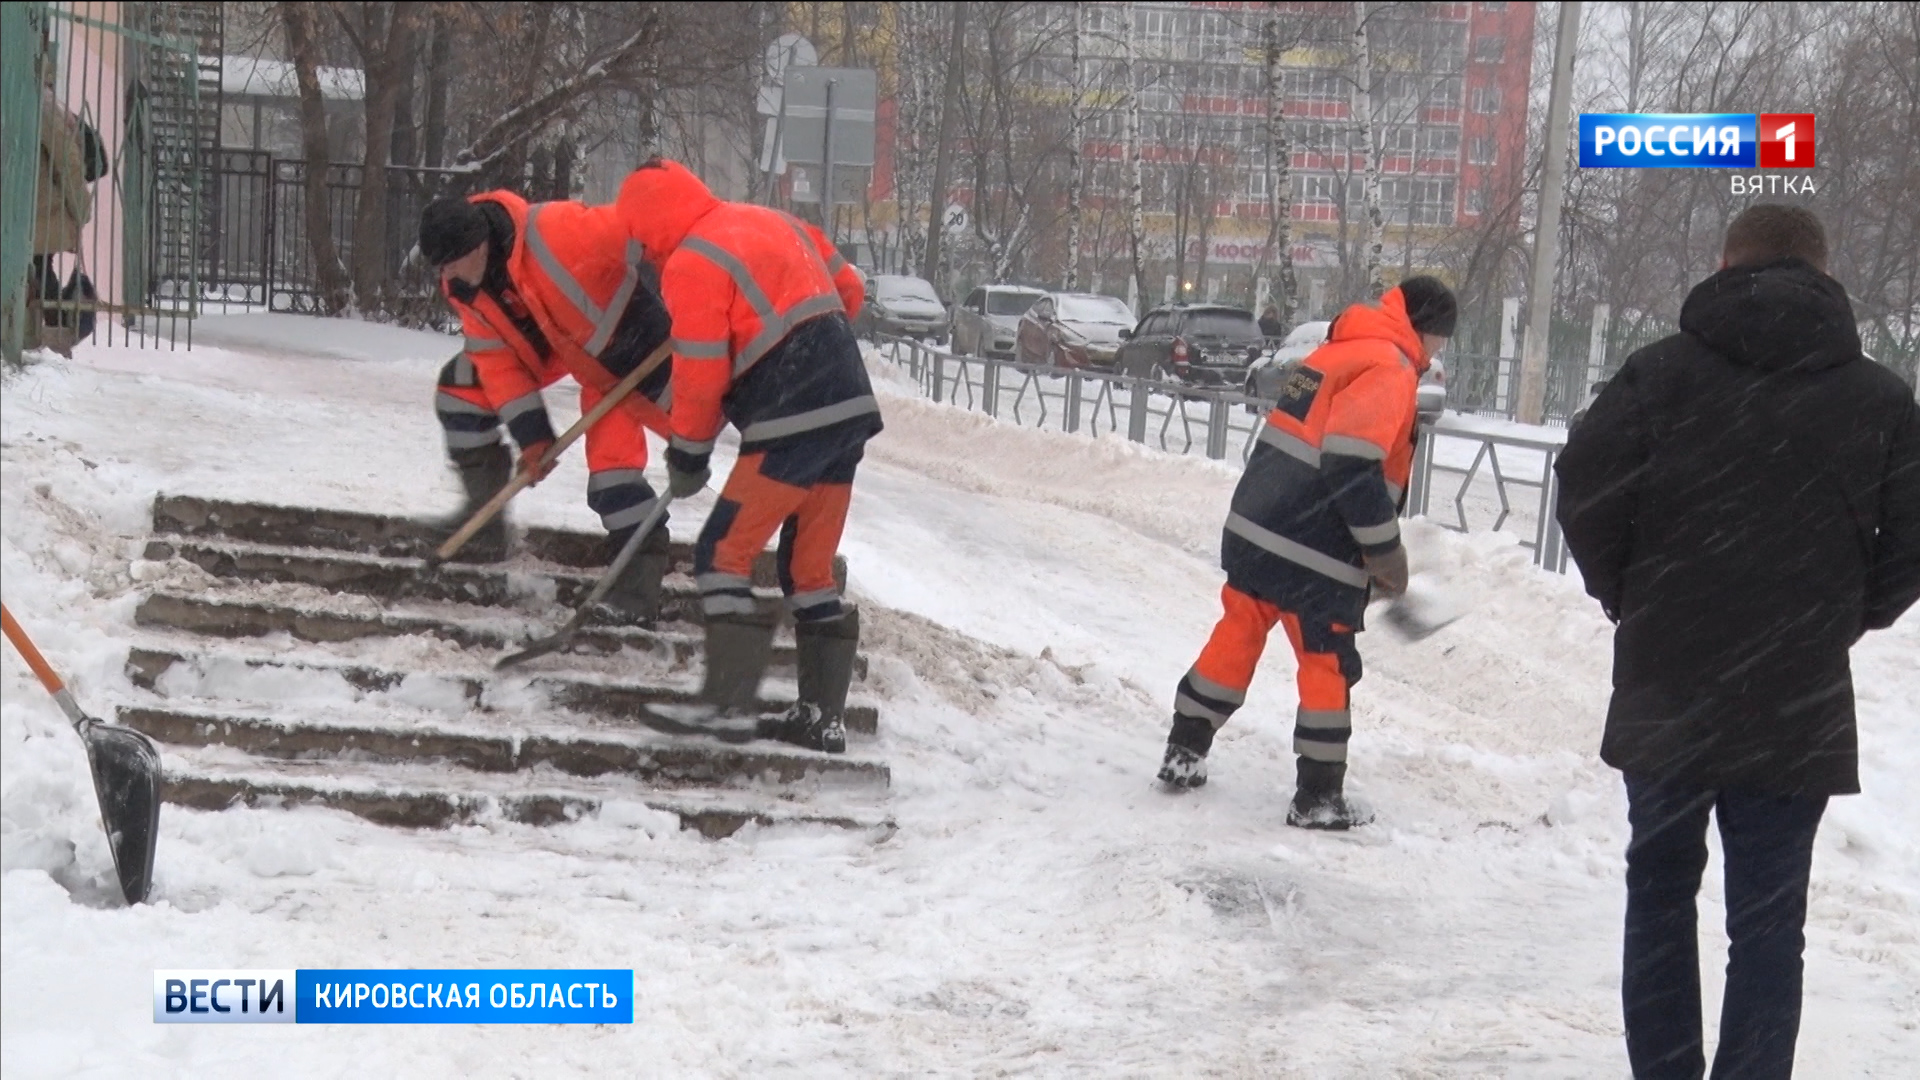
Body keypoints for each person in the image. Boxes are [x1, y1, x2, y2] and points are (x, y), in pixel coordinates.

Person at [1555, 204, 1920, 1079]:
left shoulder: (1658, 374)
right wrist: (1842, 617)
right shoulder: (1880, 399)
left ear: (1726, 264)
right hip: (1795, 696)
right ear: (1826, 272)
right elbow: (1910, 544)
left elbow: (1584, 489)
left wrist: (1631, 595)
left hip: (1668, 687)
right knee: (1768, 923)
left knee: (1660, 898)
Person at [1157, 277, 1458, 829]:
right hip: (1313, 544)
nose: (1438, 352)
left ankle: (1184, 752)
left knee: (1238, 631)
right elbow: (1350, 464)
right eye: (1441, 339)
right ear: (1428, 330)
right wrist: (1384, 553)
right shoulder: (1388, 367)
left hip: (1261, 522)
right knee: (1325, 660)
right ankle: (1318, 798)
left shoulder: (1336, 351)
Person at [616, 157, 878, 754]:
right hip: (848, 401)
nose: (647, 255)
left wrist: (689, 450)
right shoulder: (772, 219)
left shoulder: (691, 261)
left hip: (793, 413)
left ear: (652, 223)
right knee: (808, 570)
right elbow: (850, 290)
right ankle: (820, 718)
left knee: (722, 552)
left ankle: (729, 708)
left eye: (642, 239)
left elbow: (701, 372)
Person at [418, 191, 675, 621]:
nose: (446, 275)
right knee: (462, 385)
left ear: (477, 245)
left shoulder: (558, 230)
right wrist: (534, 439)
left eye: (450, 262)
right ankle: (485, 528)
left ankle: (635, 596)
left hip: (633, 354)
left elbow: (648, 231)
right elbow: (497, 362)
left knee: (614, 479)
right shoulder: (465, 288)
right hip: (563, 351)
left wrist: (694, 290)